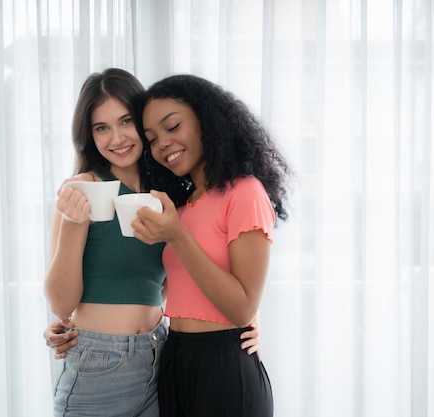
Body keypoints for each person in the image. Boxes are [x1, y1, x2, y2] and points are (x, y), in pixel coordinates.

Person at [43, 68, 260, 417]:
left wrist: (245, 321)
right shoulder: (84, 189)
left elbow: (183, 275)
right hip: (100, 365)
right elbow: (60, 302)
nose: (117, 137)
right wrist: (72, 223)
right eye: (102, 127)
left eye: (126, 122)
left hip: (161, 358)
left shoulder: (171, 194)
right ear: (89, 135)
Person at [131, 74, 292, 417]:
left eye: (172, 126)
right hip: (175, 357)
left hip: (224, 368)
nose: (162, 144)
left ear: (207, 120)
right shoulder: (183, 206)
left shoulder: (245, 192)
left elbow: (243, 308)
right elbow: (172, 288)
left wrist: (177, 236)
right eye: (152, 139)